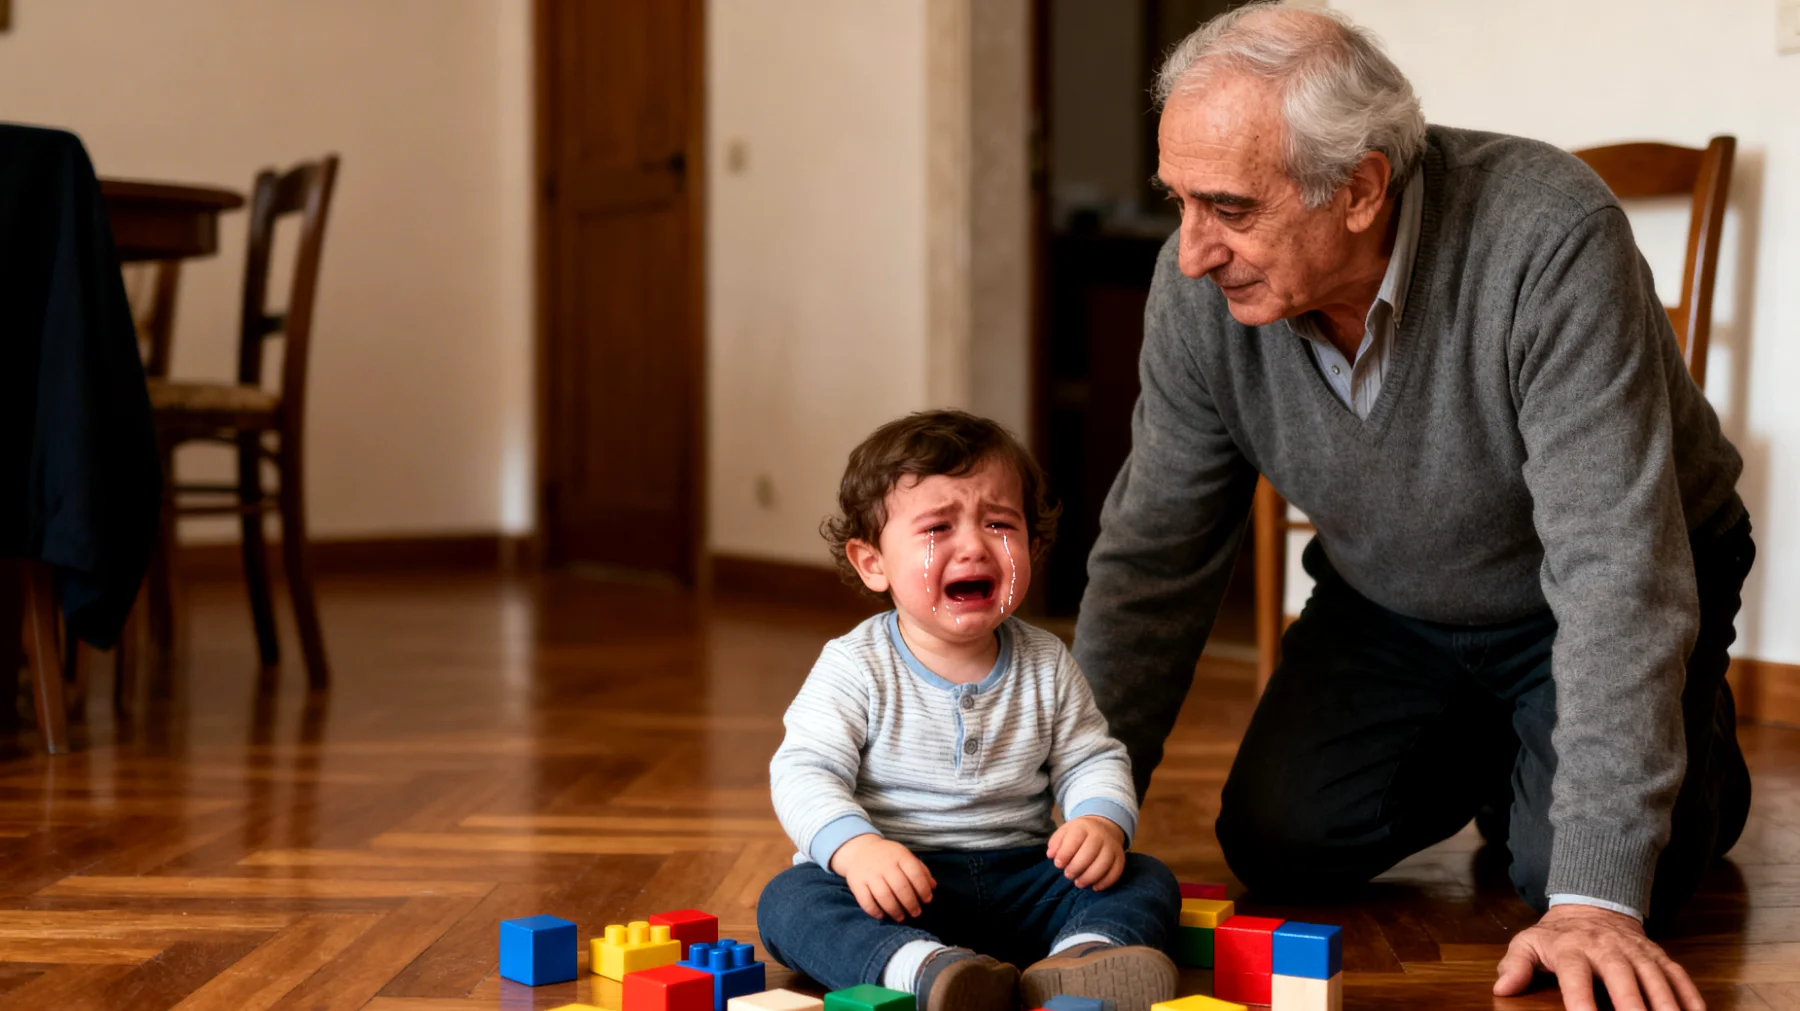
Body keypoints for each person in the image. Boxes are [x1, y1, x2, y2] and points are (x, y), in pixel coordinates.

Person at [1072, 6, 1751, 1011]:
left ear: (1361, 188)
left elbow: (1617, 570)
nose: (1191, 254)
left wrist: (1597, 893)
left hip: (1603, 586)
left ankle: (1683, 763)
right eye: (1179, 203)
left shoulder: (1548, 236)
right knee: (1279, 840)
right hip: (1390, 597)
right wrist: (1069, 797)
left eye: (1229, 208)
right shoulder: (1201, 301)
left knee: (1572, 877)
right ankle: (1523, 746)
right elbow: (1153, 556)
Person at [757, 410, 1182, 1011]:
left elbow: (1093, 756)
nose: (975, 546)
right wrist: (858, 851)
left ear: (1032, 546)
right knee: (789, 901)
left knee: (1145, 879)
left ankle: (1079, 959)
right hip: (898, 887)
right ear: (872, 562)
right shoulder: (856, 665)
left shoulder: (1047, 661)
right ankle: (925, 970)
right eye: (937, 529)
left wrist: (1100, 823)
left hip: (1026, 880)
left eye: (1000, 524)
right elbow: (804, 770)